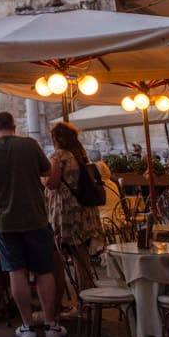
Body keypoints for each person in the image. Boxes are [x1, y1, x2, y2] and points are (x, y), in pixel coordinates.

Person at [0, 111, 67, 337]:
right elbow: (46, 171)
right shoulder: (30, 144)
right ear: (14, 126)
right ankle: (50, 323)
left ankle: (27, 326)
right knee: (44, 270)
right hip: (35, 216)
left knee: (16, 271)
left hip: (4, 221)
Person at [44, 122, 104, 306]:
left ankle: (82, 303)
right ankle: (86, 300)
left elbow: (52, 183)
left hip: (68, 212)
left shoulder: (59, 156)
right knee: (81, 257)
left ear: (56, 138)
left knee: (74, 257)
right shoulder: (79, 154)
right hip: (84, 210)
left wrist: (42, 178)